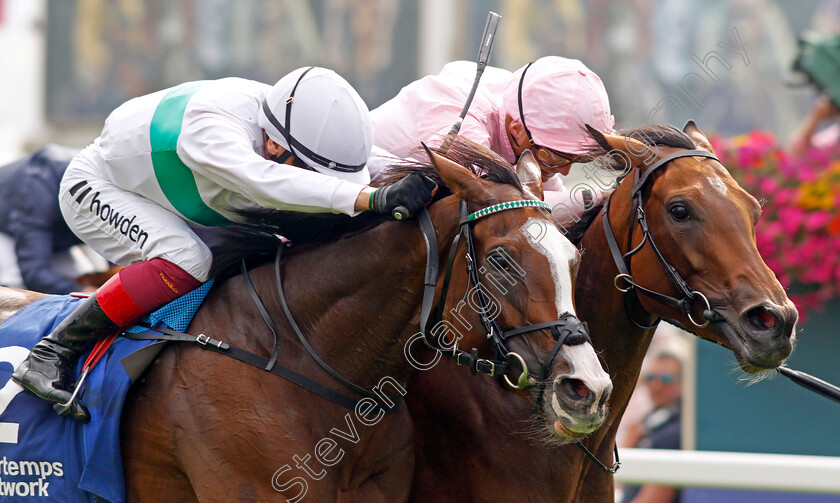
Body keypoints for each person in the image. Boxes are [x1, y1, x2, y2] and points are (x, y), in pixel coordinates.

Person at [12, 67, 436, 423]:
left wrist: (434, 177)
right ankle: (53, 353)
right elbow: (263, 180)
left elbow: (370, 164)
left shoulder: (287, 126)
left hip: (181, 200)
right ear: (274, 145)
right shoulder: (212, 126)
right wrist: (370, 199)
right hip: (97, 187)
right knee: (187, 261)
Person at [370, 56, 616, 225]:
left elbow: (549, 201)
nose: (564, 170)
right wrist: (603, 198)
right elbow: (508, 205)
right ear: (517, 131)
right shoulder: (462, 115)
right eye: (556, 157)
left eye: (579, 159)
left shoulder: (522, 110)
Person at [0, 145, 104, 294]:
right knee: (16, 282)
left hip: (52, 226)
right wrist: (84, 291)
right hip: (7, 227)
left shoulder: (103, 187)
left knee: (74, 280)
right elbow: (33, 272)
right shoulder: (38, 199)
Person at [621, 348, 685, 503]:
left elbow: (653, 499)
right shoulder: (649, 422)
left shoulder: (673, 433)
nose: (656, 386)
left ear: (684, 382)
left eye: (665, 379)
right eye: (650, 378)